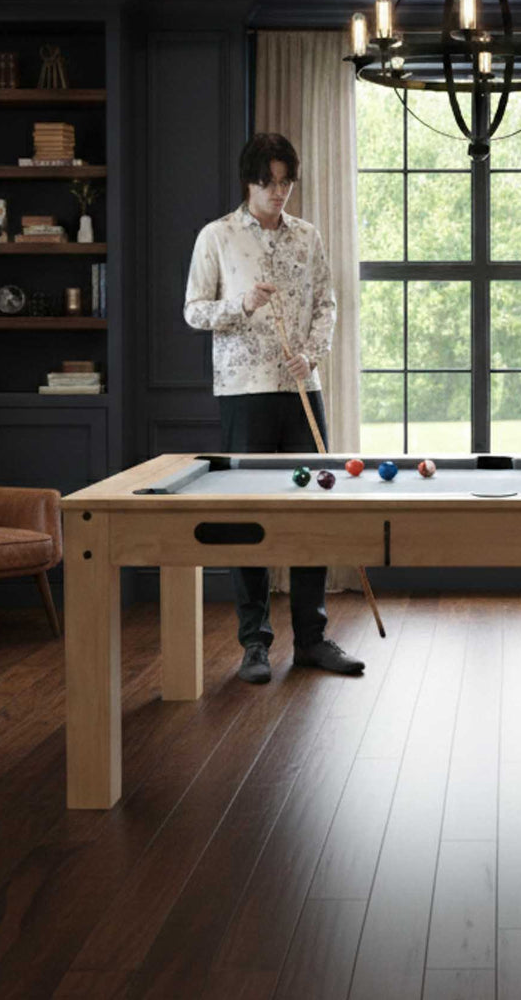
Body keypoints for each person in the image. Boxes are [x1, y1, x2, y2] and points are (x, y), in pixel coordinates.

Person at [184, 132, 364, 683]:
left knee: (313, 508)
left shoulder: (307, 237)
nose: (280, 192)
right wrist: (241, 304)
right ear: (250, 181)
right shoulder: (216, 236)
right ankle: (254, 644)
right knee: (248, 516)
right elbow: (193, 311)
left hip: (301, 388)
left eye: (287, 181)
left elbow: (328, 304)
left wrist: (311, 353)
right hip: (244, 390)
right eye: (270, 182)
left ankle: (311, 639)